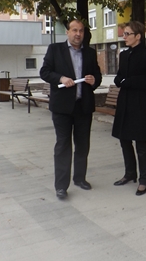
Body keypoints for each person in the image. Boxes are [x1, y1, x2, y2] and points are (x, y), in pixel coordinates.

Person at [40, 19, 102, 200]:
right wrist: (60, 78)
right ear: (67, 32)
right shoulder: (55, 49)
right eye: (74, 30)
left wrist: (94, 80)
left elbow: (97, 75)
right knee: (63, 146)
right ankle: (61, 186)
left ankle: (80, 178)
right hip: (62, 108)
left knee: (83, 145)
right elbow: (44, 72)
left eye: (81, 31)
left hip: (83, 106)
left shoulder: (89, 53)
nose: (78, 34)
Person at [112, 21, 146, 196]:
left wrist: (132, 81)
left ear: (138, 36)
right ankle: (130, 173)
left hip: (140, 103)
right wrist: (118, 80)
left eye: (127, 34)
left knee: (140, 142)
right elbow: (120, 76)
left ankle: (144, 180)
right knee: (124, 139)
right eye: (124, 34)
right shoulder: (124, 55)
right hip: (124, 101)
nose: (124, 37)